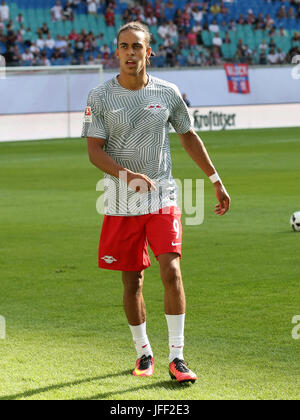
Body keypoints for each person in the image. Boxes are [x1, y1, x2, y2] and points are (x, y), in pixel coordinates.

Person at [82, 22, 230, 383]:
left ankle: (177, 357)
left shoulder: (167, 92)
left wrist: (215, 179)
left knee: (172, 270)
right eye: (124, 46)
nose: (131, 53)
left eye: (137, 47)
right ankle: (144, 353)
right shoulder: (99, 96)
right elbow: (93, 151)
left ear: (149, 52)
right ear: (116, 52)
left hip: (162, 196)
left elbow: (188, 135)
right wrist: (127, 176)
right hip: (119, 202)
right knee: (132, 282)